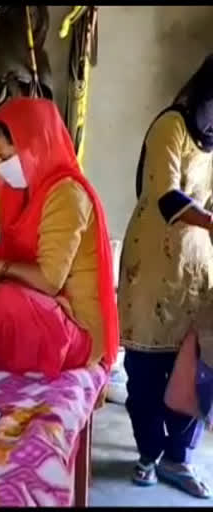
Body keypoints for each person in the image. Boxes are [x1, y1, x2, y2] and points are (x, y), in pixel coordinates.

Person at [0, 97, 119, 379]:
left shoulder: (67, 195)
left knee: (7, 298)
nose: (0, 168)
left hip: (74, 328)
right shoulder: (18, 190)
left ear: (35, 147)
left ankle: (1, 349)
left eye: (5, 158)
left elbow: (49, 281)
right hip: (38, 303)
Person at [118, 55, 213, 498]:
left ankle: (179, 458)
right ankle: (148, 453)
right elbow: (166, 197)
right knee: (147, 368)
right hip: (152, 268)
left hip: (197, 271)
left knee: (195, 366)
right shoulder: (170, 127)